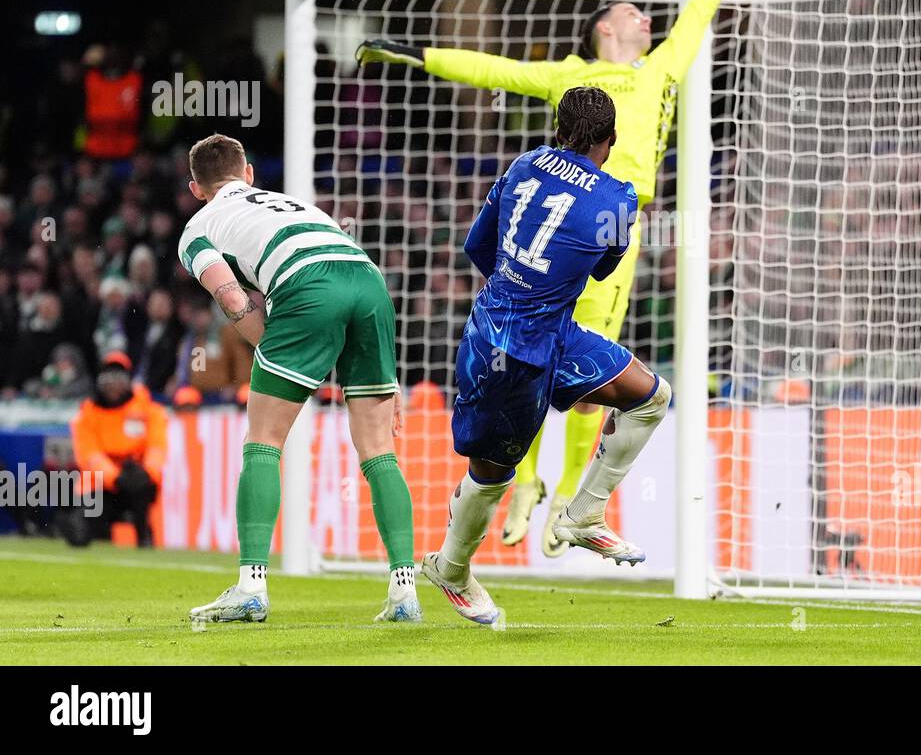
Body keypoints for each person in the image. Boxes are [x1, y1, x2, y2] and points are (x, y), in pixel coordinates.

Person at [357, 0, 763, 554]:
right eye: (633, 11)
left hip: (612, 230)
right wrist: (418, 54)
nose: (647, 18)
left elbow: (701, 9)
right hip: (562, 225)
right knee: (538, 352)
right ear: (605, 27)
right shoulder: (570, 76)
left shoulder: (661, 69)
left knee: (587, 368)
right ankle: (527, 483)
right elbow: (496, 70)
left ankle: (567, 494)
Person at [423, 87, 670, 625]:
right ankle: (451, 567)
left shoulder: (523, 165)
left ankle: (583, 515)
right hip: (514, 352)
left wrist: (518, 289)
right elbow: (602, 269)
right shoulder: (618, 199)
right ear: (611, 139)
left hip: (526, 329)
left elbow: (477, 246)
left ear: (558, 131)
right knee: (493, 472)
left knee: (649, 396)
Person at [178, 134, 420, 624]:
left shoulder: (198, 228)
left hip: (306, 283)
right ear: (248, 174)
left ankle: (251, 588)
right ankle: (405, 593)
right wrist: (386, 376)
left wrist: (272, 346)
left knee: (263, 441)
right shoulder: (291, 203)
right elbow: (340, 267)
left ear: (195, 188)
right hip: (369, 282)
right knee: (379, 450)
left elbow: (230, 297)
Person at [67, 352, 167, 548]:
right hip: (100, 486)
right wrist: (116, 477)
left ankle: (143, 532)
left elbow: (157, 447)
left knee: (140, 487)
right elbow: (89, 456)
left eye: (118, 379)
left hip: (138, 480)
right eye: (108, 380)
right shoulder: (86, 414)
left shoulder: (148, 409)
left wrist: (147, 472)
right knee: (80, 532)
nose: (113, 386)